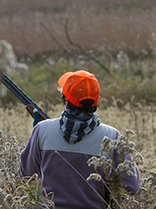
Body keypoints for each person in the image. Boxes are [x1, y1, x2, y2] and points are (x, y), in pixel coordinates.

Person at [20, 70, 141, 209]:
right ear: (95, 102)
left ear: (65, 99)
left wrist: (36, 134)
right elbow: (132, 186)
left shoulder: (43, 130)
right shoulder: (112, 137)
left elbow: (26, 173)